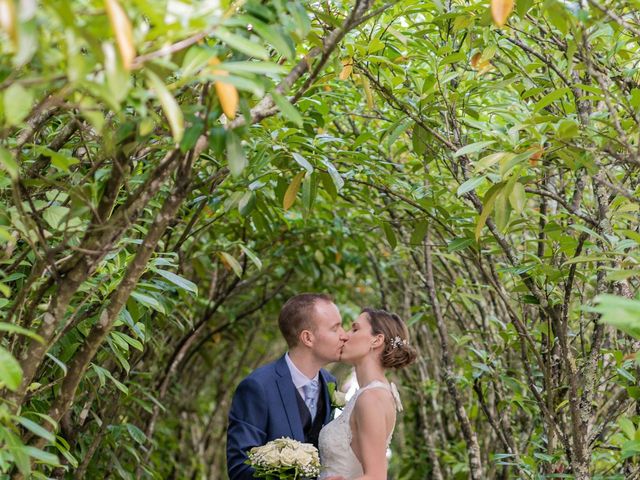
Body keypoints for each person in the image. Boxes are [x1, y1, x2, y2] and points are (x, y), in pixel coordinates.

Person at [226, 293, 348, 480]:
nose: (344, 335)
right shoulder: (257, 387)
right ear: (308, 338)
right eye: (335, 328)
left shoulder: (330, 382)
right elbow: (240, 469)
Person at [319, 308, 417, 480]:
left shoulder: (371, 398)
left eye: (355, 329)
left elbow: (376, 477)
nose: (345, 336)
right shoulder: (371, 393)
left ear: (376, 340)